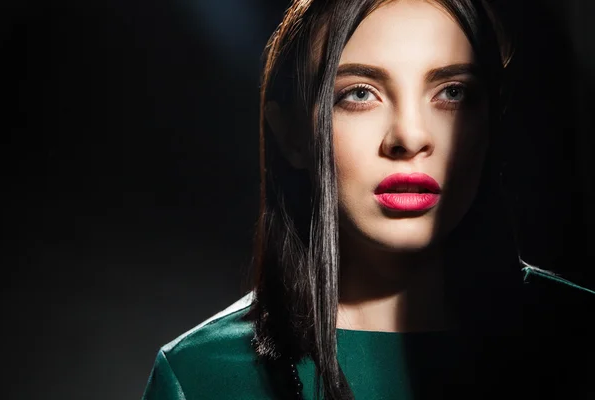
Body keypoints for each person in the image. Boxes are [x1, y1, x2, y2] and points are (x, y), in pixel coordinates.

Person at [142, 0, 595, 399]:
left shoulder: (580, 337)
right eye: (360, 93)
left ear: (491, 123)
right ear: (293, 134)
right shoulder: (201, 376)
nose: (410, 136)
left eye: (452, 93)